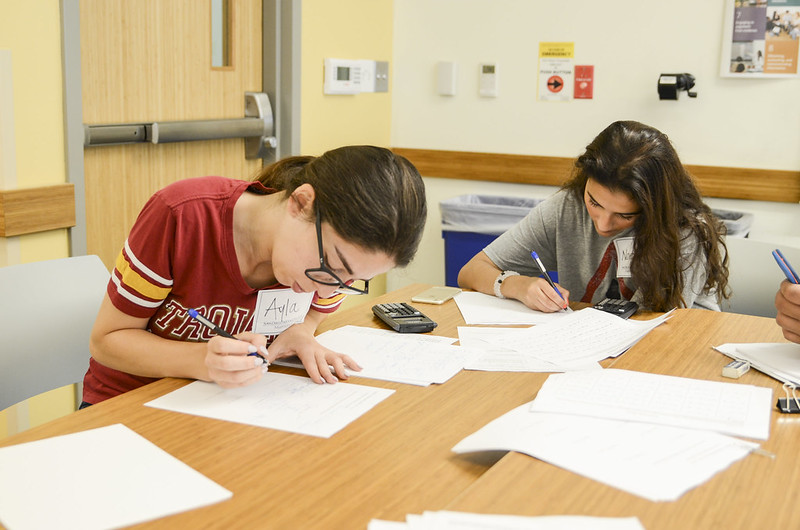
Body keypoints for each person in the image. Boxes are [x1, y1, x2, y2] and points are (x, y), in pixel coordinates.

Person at [82, 145, 427, 406]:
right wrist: (202, 360)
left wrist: (300, 332)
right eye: (331, 266)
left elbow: (317, 310)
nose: (329, 286)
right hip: (128, 408)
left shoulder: (333, 268)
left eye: (349, 280)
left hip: (229, 409)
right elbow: (107, 341)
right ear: (301, 203)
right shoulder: (183, 216)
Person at [458, 120, 730, 313]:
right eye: (594, 202)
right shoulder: (566, 206)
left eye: (624, 215)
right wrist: (517, 285)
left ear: (654, 207)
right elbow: (471, 271)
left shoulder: (686, 231)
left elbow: (658, 327)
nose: (602, 224)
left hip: (681, 350)